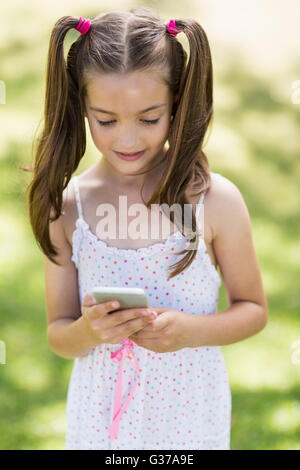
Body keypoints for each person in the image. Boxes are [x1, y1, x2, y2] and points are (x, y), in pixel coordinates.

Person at [25, 7, 268, 450]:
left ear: (176, 102)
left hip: (189, 423)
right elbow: (59, 333)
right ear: (82, 106)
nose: (129, 139)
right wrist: (89, 332)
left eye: (149, 118)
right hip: (101, 428)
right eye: (107, 120)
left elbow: (253, 309)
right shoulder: (67, 209)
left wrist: (191, 331)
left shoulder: (212, 202)